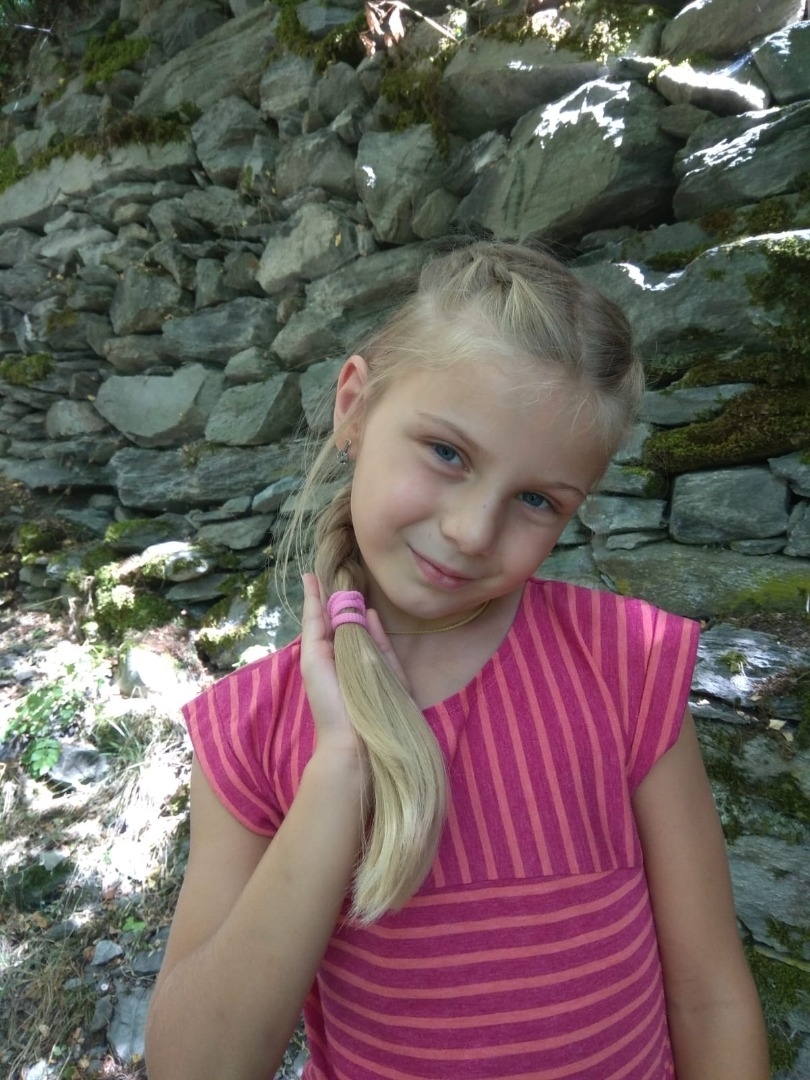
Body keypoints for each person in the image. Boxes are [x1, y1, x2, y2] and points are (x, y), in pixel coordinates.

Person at [144, 242, 769, 1080]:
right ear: (355, 408)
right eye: (447, 453)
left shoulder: (628, 665)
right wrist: (339, 773)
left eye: (536, 500)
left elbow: (710, 999)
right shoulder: (250, 730)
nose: (473, 532)